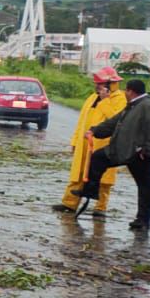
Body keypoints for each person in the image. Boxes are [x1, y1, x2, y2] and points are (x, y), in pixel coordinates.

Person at [81, 78, 150, 230]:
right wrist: (94, 130)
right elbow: (113, 123)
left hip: (140, 155)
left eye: (126, 90)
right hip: (122, 150)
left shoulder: (149, 106)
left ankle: (143, 221)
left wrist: (149, 152)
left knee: (146, 187)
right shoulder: (132, 106)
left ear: (131, 91)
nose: (124, 93)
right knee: (99, 158)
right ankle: (91, 190)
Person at [54, 67, 126, 219]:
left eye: (100, 84)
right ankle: (69, 204)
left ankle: (100, 207)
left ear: (109, 84)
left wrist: (106, 101)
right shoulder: (91, 98)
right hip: (85, 143)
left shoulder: (120, 100)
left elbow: (116, 120)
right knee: (78, 174)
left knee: (103, 178)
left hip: (103, 144)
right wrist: (74, 142)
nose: (97, 86)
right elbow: (81, 122)